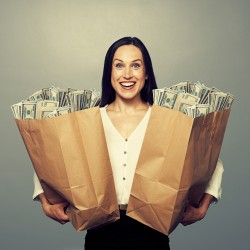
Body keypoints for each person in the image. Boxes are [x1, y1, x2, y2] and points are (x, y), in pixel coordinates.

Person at [33, 37, 224, 249]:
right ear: (109, 73)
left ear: (146, 72)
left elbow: (208, 160)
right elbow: (50, 159)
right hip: (100, 233)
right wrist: (44, 202)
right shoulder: (89, 119)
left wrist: (203, 207)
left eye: (136, 65)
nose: (127, 74)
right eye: (119, 65)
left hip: (153, 233)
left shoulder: (167, 119)